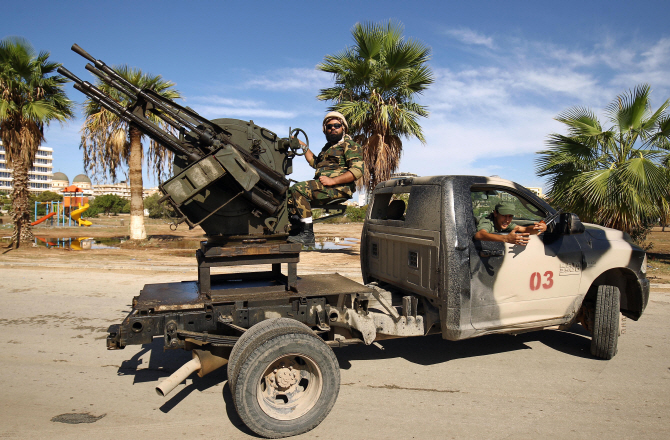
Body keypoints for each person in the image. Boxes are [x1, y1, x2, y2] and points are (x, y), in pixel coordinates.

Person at [287, 111, 364, 245]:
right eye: (329, 127)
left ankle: (307, 235)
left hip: (338, 188)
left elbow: (357, 171)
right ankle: (295, 229)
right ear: (325, 130)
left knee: (298, 189)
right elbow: (315, 163)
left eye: (336, 125)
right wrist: (303, 146)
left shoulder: (349, 145)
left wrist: (333, 181)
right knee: (288, 194)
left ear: (343, 128)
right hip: (324, 186)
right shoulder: (327, 149)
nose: (333, 128)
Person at [474, 202, 547, 246]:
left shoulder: (505, 224)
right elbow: (479, 235)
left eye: (510, 216)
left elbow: (525, 229)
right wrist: (506, 238)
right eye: (504, 215)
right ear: (495, 213)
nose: (507, 220)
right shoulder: (488, 221)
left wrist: (540, 228)